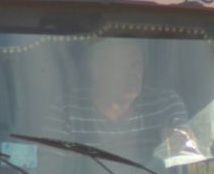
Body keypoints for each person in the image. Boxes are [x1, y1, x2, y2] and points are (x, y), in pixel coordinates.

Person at [54, 40, 200, 165]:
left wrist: (180, 139)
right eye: (121, 66)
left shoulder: (165, 104)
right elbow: (50, 165)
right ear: (96, 70)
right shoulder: (67, 110)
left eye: (136, 66)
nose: (132, 74)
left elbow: (186, 156)